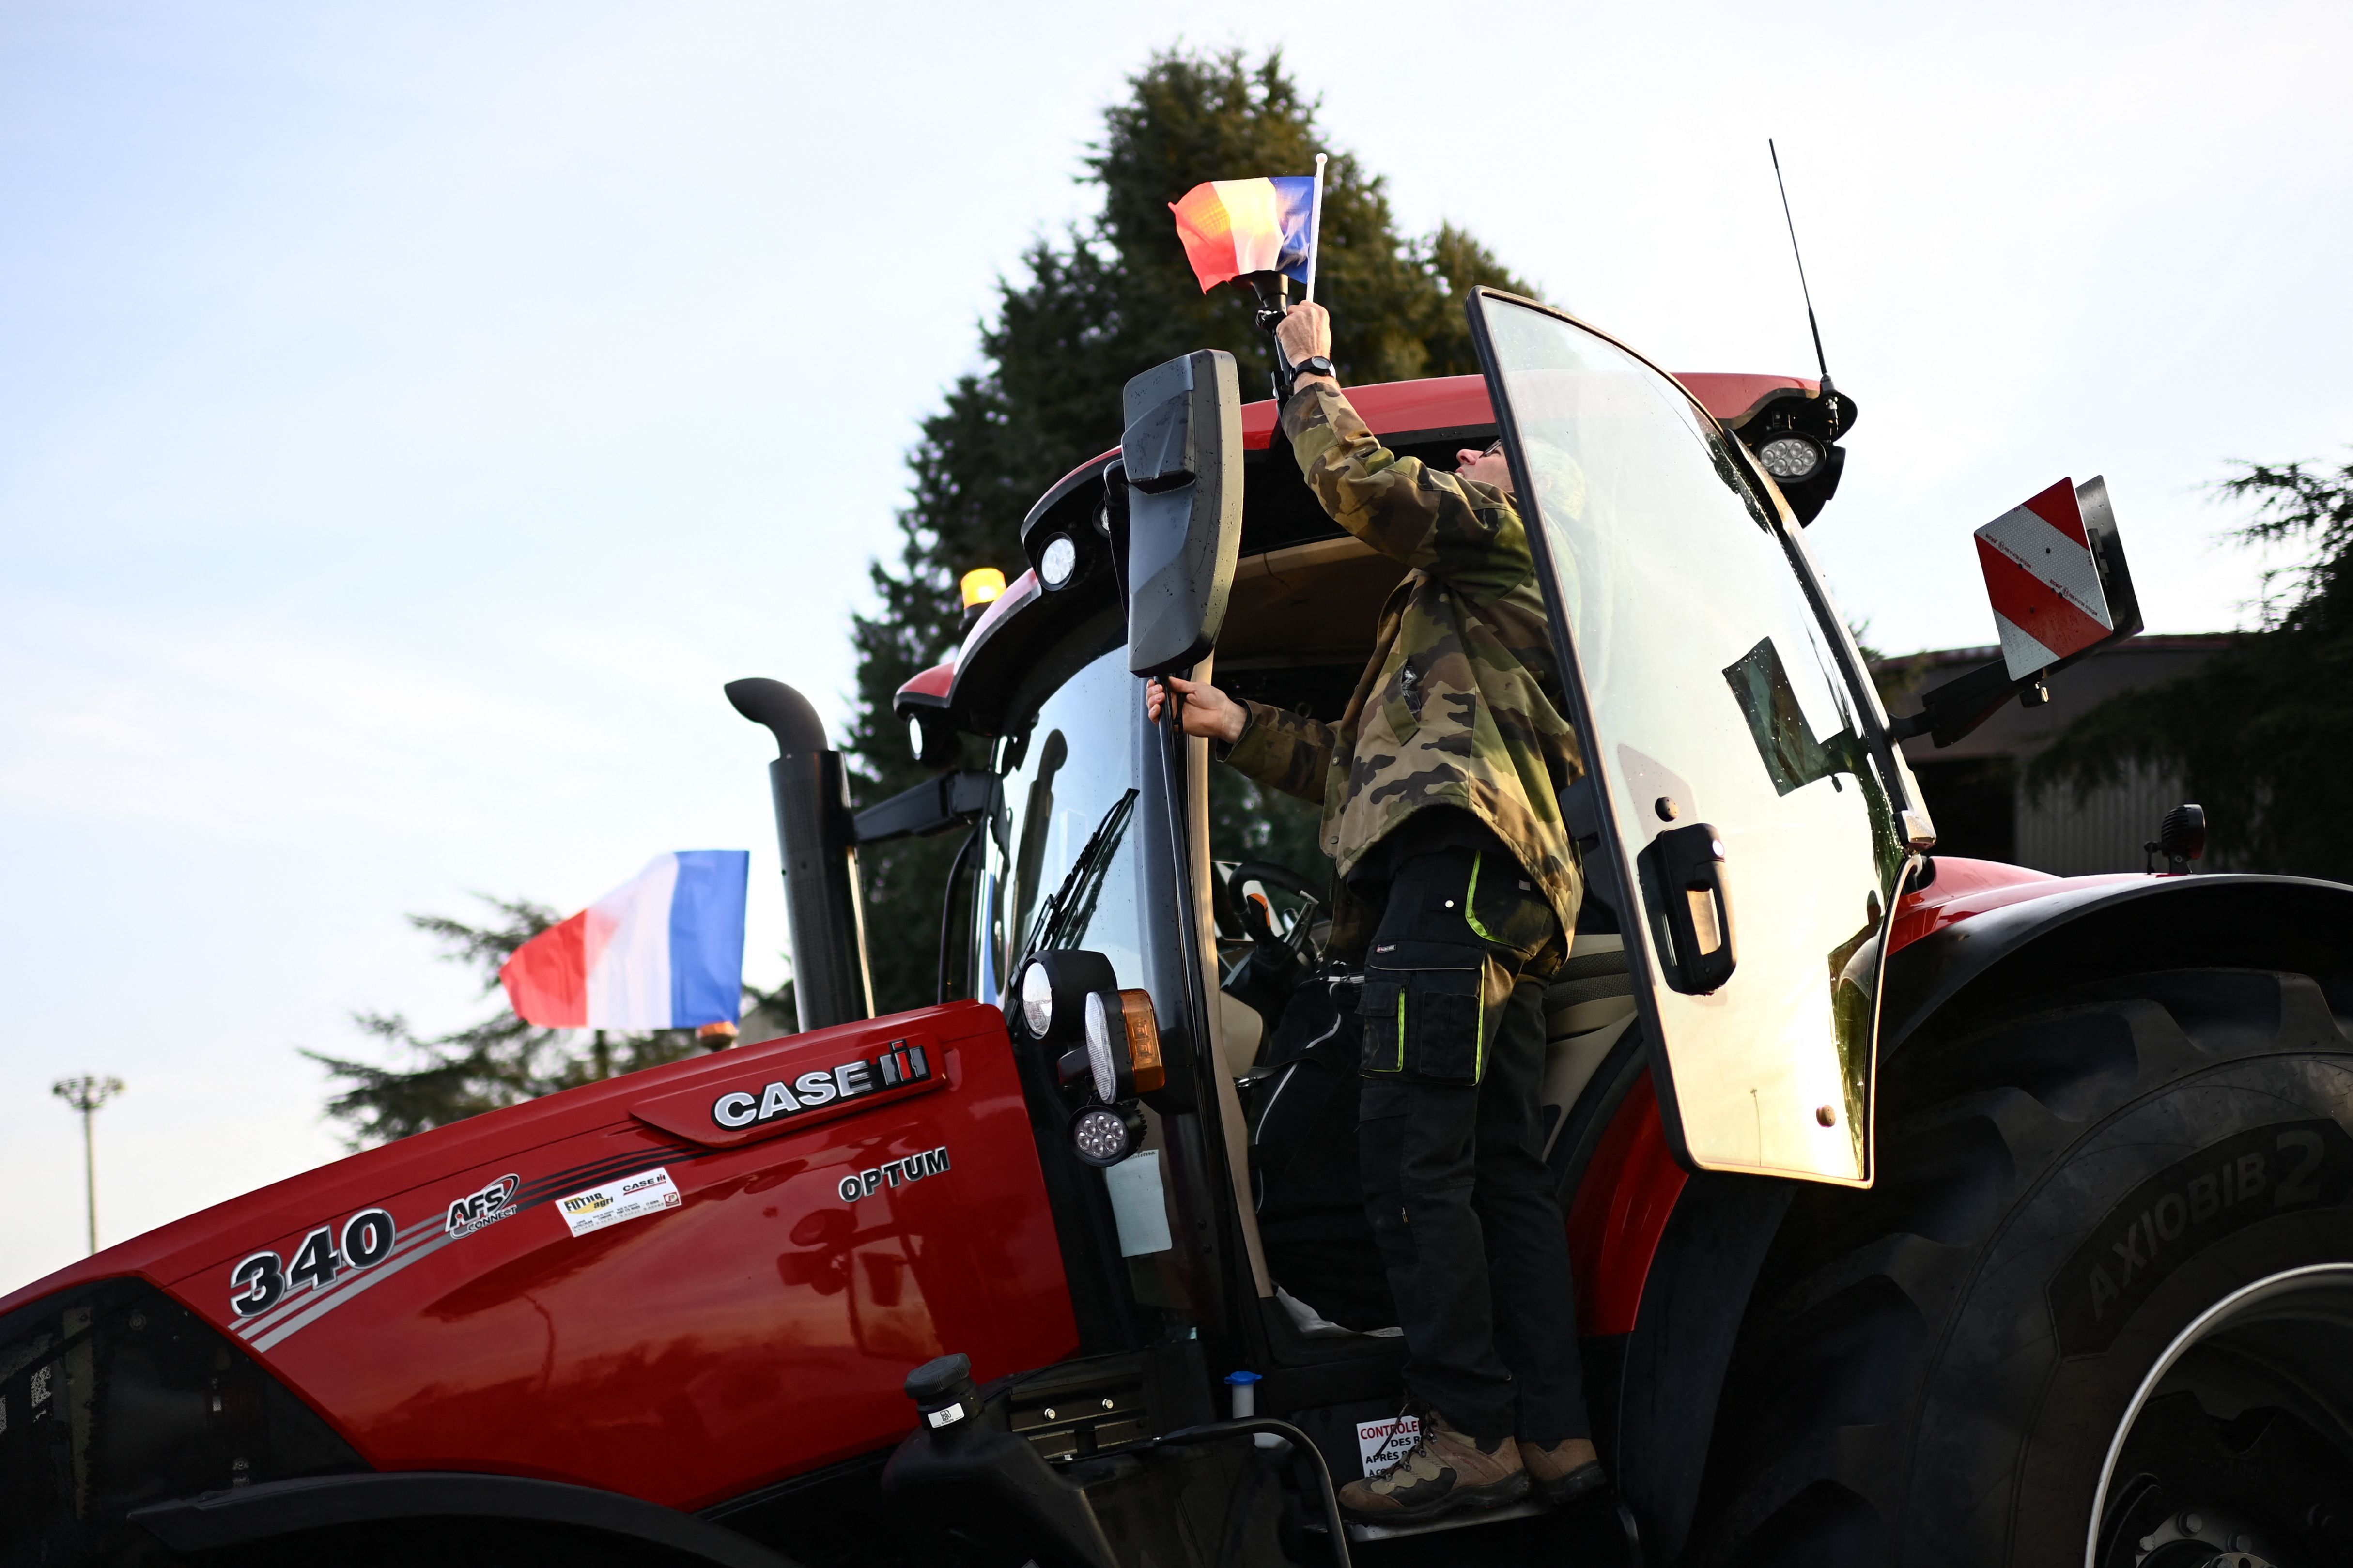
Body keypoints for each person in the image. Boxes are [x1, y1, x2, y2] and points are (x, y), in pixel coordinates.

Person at [1148, 302, 1603, 1524]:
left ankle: (1466, 1429)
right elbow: (1354, 768)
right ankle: (1551, 1432)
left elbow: (1365, 484)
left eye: (1488, 448)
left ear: (1531, 491)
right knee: (1496, 1172)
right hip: (1483, 883)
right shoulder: (1451, 624)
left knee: (1409, 1156)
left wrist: (1306, 366)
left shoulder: (1512, 535)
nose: (1467, 457)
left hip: (1450, 874)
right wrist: (1233, 725)